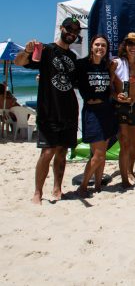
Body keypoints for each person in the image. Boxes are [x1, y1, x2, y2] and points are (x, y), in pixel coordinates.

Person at [14, 17, 81, 204]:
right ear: (62, 28)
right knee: (47, 152)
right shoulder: (46, 50)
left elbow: (75, 83)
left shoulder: (73, 58)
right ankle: (37, 192)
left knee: (62, 152)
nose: (72, 33)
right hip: (49, 111)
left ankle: (57, 187)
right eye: (69, 28)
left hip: (68, 111)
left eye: (75, 31)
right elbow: (19, 62)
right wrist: (26, 51)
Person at [76, 35, 117, 196]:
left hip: (106, 111)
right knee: (98, 154)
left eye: (104, 46)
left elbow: (109, 88)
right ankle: (83, 186)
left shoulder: (107, 67)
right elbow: (70, 79)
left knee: (101, 154)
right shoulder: (82, 65)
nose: (100, 48)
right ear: (91, 46)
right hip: (92, 113)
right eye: (97, 45)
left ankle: (98, 185)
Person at [110, 32, 135, 188]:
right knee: (125, 143)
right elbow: (108, 87)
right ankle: (125, 178)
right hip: (121, 107)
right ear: (125, 46)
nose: (133, 47)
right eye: (130, 43)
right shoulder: (116, 63)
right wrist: (115, 95)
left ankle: (130, 170)